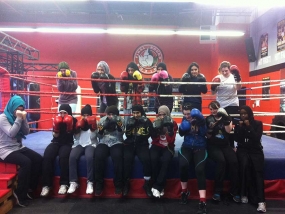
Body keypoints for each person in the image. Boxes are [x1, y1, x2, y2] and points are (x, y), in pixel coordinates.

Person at [0, 96, 42, 207]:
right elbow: (11, 133)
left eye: (21, 109)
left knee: (38, 159)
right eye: (17, 109)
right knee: (26, 162)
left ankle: (29, 189)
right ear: (12, 107)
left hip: (18, 147)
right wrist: (19, 118)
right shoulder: (3, 118)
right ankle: (20, 194)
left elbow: (27, 132)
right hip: (4, 149)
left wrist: (23, 119)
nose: (19, 111)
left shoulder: (20, 115)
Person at [205, 101, 240, 203]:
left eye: (214, 108)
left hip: (225, 145)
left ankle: (234, 191)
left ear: (219, 107)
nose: (213, 111)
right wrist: (210, 129)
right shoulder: (208, 119)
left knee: (234, 161)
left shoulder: (226, 117)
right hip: (213, 145)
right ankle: (217, 191)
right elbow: (208, 136)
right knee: (221, 161)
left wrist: (227, 119)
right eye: (211, 109)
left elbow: (228, 131)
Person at [234, 106, 266, 213]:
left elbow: (257, 138)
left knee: (257, 172)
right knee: (243, 166)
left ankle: (261, 201)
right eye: (241, 114)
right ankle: (243, 193)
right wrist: (239, 129)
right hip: (243, 149)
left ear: (249, 114)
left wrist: (248, 127)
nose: (243, 116)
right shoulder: (239, 124)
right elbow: (237, 139)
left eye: (245, 114)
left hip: (255, 150)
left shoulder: (257, 124)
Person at [40, 104, 77, 197]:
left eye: (65, 113)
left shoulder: (74, 120)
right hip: (56, 142)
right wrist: (57, 128)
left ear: (69, 113)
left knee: (63, 157)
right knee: (47, 156)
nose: (62, 115)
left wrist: (69, 127)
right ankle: (46, 185)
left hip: (67, 143)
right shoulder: (57, 120)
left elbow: (75, 135)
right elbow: (55, 136)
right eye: (61, 113)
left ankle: (64, 184)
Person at [178, 105, 207, 214]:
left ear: (193, 113)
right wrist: (183, 126)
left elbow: (204, 134)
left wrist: (201, 123)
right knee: (183, 165)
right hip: (187, 146)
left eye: (188, 114)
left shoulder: (201, 120)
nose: (186, 116)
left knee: (200, 170)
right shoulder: (185, 119)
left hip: (200, 147)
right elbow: (181, 134)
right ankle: (184, 192)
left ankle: (202, 201)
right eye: (184, 114)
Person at [123, 104, 154, 197]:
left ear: (141, 113)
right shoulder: (130, 120)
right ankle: (126, 183)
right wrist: (129, 127)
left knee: (147, 159)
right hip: (130, 144)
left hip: (142, 145)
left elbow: (151, 134)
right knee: (127, 159)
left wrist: (146, 128)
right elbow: (128, 135)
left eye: (138, 113)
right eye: (134, 113)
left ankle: (147, 184)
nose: (136, 115)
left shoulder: (146, 121)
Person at [67, 104, 98, 195]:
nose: (85, 117)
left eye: (87, 115)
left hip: (91, 144)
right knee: (72, 157)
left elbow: (94, 137)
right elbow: (76, 138)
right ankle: (73, 182)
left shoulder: (94, 122)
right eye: (84, 115)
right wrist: (77, 129)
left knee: (89, 157)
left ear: (90, 115)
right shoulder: (79, 123)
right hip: (79, 144)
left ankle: (90, 182)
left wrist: (93, 128)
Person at [94, 105, 124, 196]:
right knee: (98, 156)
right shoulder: (102, 120)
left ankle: (118, 185)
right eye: (109, 114)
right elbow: (99, 137)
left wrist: (118, 126)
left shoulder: (120, 120)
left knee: (118, 157)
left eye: (113, 114)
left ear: (116, 114)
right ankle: (99, 184)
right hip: (104, 141)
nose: (110, 116)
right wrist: (101, 130)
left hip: (117, 141)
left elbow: (121, 135)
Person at [211, 61, 242, 148]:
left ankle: (231, 145)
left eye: (226, 71)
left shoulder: (233, 77)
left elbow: (238, 88)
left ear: (229, 70)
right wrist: (213, 86)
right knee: (221, 125)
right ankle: (222, 144)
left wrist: (238, 78)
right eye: (222, 71)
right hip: (221, 105)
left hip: (232, 103)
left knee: (230, 125)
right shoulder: (217, 77)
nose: (224, 72)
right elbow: (213, 93)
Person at [150, 105, 178, 198]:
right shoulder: (155, 122)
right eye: (160, 114)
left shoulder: (173, 123)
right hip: (157, 145)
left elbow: (171, 141)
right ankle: (157, 186)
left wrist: (168, 129)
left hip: (168, 146)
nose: (162, 117)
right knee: (153, 159)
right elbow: (153, 139)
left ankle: (158, 186)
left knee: (165, 160)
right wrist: (156, 129)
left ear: (168, 114)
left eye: (164, 114)